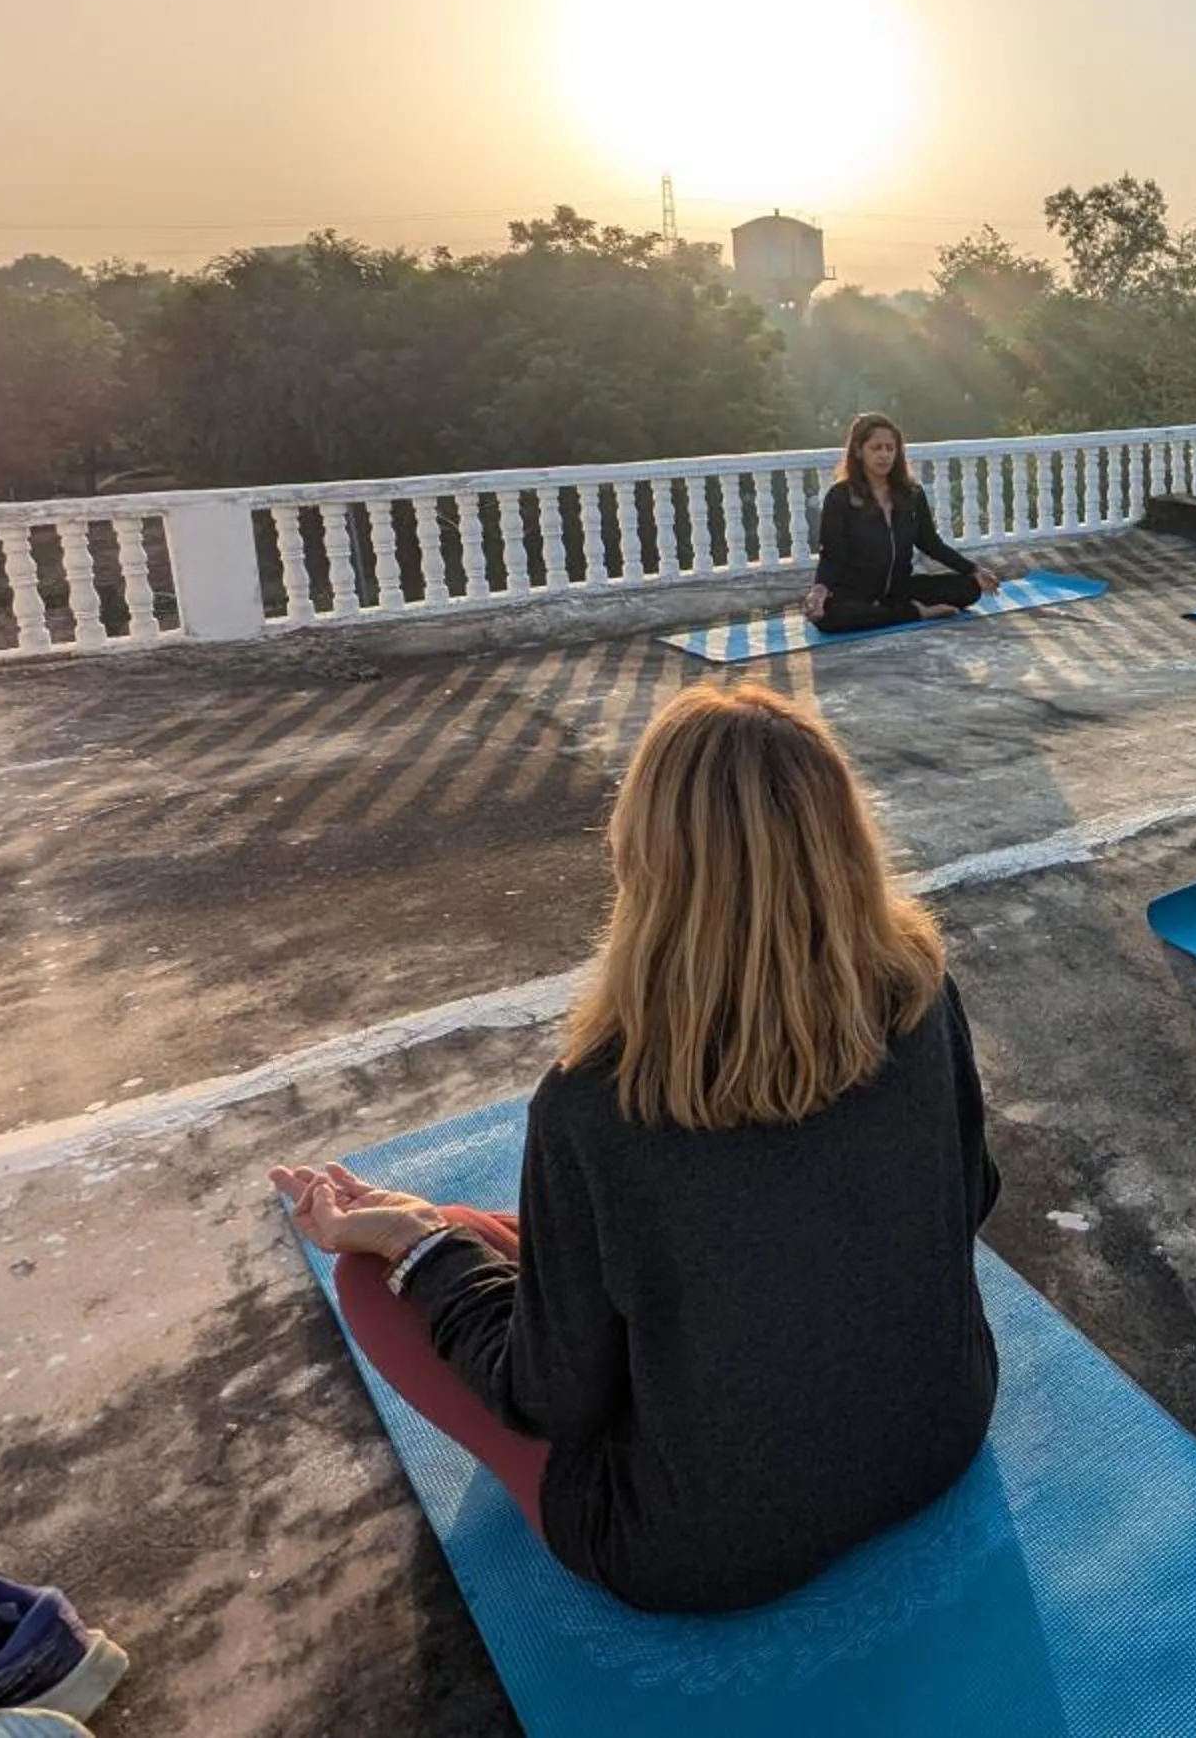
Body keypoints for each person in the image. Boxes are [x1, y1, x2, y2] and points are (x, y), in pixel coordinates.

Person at [269, 686, 1002, 1615]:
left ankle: (421, 1244)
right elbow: (968, 1197)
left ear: (646, 859)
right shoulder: (920, 997)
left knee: (380, 1282)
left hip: (701, 1547)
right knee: (477, 1234)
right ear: (845, 841)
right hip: (941, 1432)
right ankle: (442, 1241)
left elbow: (549, 1400)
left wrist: (414, 1245)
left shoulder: (598, 1103)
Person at [803, 412, 1000, 634]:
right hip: (855, 591)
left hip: (899, 587)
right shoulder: (839, 497)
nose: (884, 455)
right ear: (858, 451)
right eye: (876, 448)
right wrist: (819, 590)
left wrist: (973, 569)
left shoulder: (911, 494)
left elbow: (930, 542)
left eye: (890, 448)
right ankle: (916, 612)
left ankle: (888, 611)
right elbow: (831, 555)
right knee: (828, 618)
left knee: (969, 589)